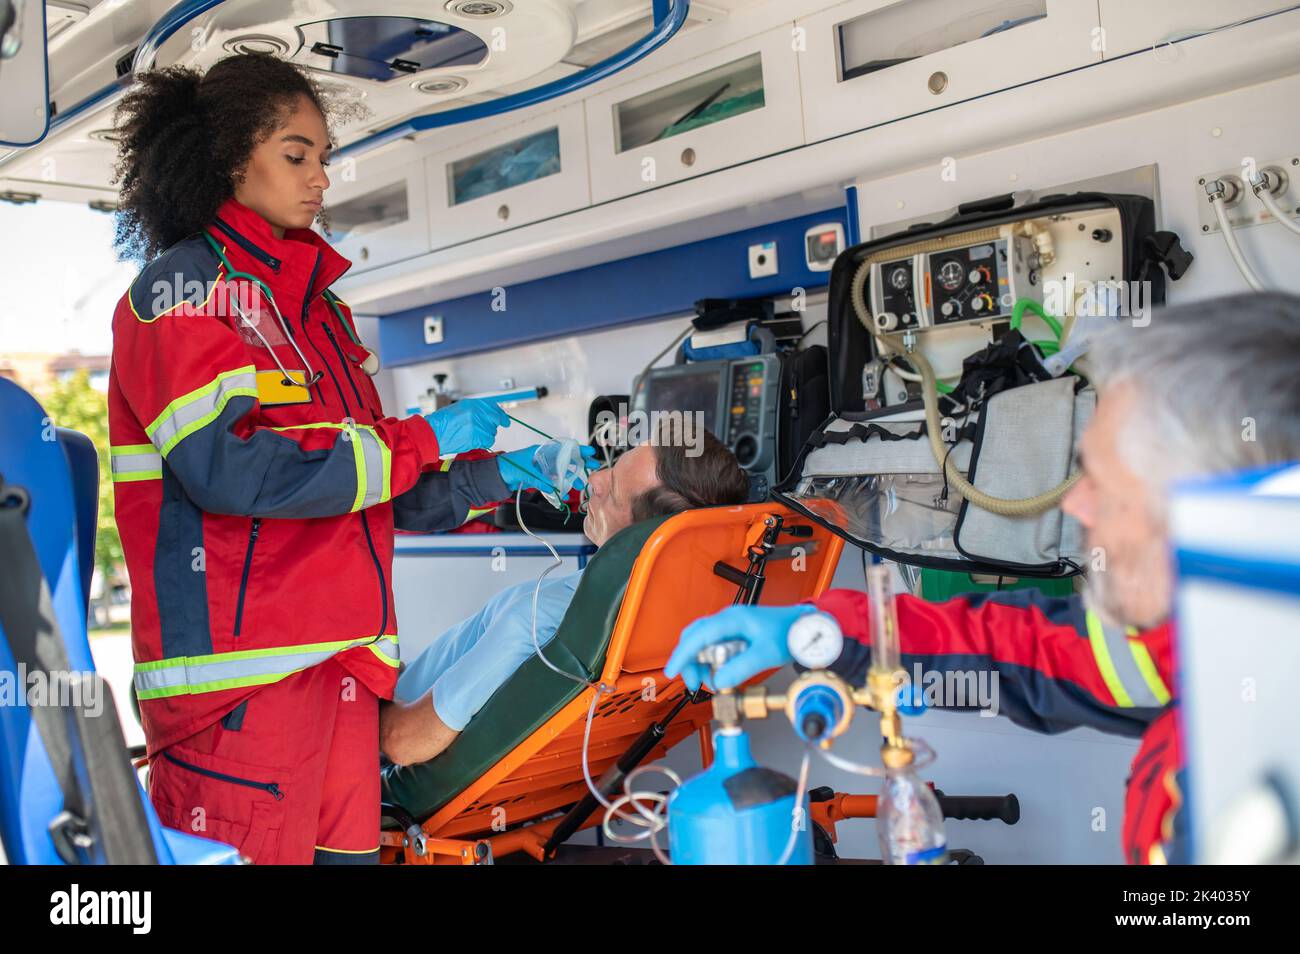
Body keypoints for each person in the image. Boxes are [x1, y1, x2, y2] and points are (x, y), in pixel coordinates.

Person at [107, 53, 589, 864]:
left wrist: (490, 476)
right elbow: (233, 471)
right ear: (228, 160)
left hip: (345, 674)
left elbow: (367, 489)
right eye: (297, 155)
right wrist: (427, 436)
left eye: (323, 158)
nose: (320, 179)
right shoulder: (179, 294)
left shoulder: (321, 314)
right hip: (238, 698)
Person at [667, 291, 1300, 865]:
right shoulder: (1197, 643)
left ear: (1229, 509)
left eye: (1106, 484)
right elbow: (1026, 653)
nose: (1075, 506)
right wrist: (817, 632)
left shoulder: (1264, 766)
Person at [380, 428, 751, 766]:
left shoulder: (537, 619)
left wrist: (353, 701)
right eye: (611, 465)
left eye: (614, 490)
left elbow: (404, 742)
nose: (594, 480)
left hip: (385, 735)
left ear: (642, 536)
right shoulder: (692, 613)